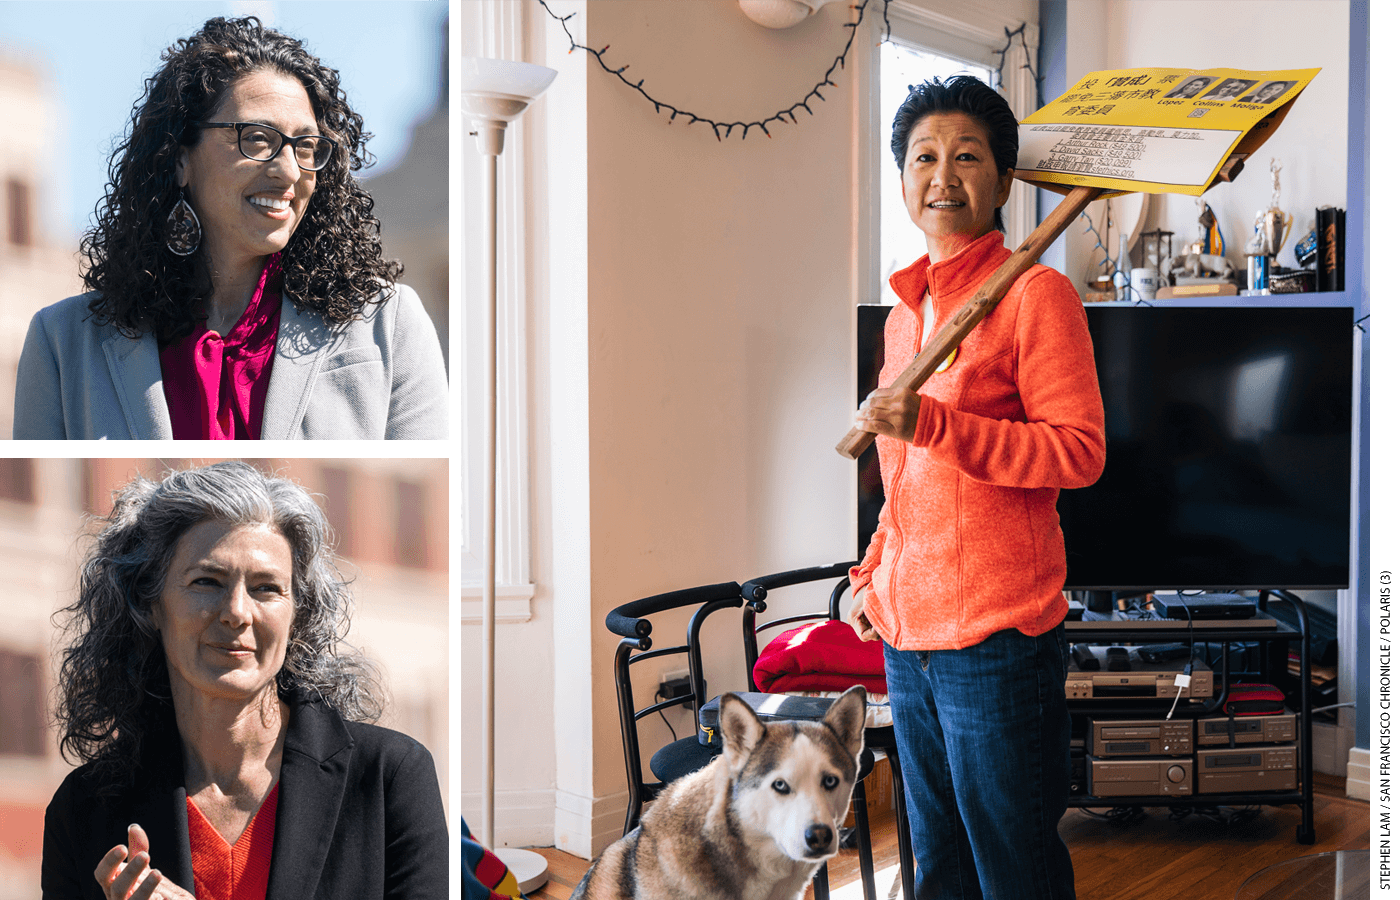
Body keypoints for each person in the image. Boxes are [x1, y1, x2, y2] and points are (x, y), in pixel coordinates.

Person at [848, 76, 1105, 899]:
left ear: (1001, 179)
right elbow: (906, 482)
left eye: (967, 156)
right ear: (902, 180)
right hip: (907, 633)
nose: (943, 175)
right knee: (939, 864)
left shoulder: (1037, 295)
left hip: (996, 638)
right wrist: (872, 571)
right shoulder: (905, 315)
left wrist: (934, 423)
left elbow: (1078, 453)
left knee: (1013, 867)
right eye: (924, 157)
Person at [14, 17, 447, 439]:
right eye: (257, 138)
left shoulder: (387, 325)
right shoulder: (63, 343)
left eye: (307, 146)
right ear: (180, 158)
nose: (289, 172)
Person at [42, 462, 448, 899]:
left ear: (298, 615)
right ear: (150, 605)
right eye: (206, 581)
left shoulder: (390, 777)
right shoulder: (84, 809)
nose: (236, 611)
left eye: (266, 588)